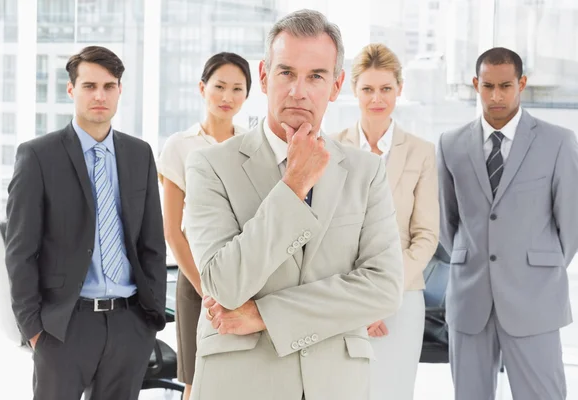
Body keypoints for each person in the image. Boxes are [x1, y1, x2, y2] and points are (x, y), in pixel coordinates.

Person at [184, 9, 404, 400]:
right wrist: (294, 185)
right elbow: (224, 284)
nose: (298, 90)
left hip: (336, 384)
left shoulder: (366, 172)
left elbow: (384, 288)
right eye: (286, 72)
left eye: (316, 76)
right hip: (240, 383)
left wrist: (266, 315)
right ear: (265, 77)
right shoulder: (209, 165)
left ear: (335, 86)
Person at [5, 46, 167, 400]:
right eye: (89, 85)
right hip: (65, 327)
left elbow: (152, 242)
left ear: (120, 91)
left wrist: (149, 318)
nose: (99, 95)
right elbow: (20, 252)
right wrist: (34, 329)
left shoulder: (140, 154)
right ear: (71, 89)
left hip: (129, 324)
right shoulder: (38, 156)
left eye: (109, 86)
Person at [438, 47, 578, 400]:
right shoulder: (450, 144)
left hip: (535, 300)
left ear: (522, 84)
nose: (496, 96)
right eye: (487, 86)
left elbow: (571, 224)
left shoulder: (558, 142)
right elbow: (445, 221)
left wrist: (537, 269)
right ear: (475, 85)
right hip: (470, 302)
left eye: (505, 86)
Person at [331, 43, 438, 400]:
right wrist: (360, 301)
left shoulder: (421, 151)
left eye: (386, 89)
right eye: (368, 89)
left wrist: (383, 297)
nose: (377, 98)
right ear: (352, 89)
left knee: (393, 391)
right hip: (344, 296)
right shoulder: (332, 147)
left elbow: (425, 236)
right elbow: (325, 232)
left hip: (402, 299)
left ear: (400, 89)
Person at [157, 51, 251, 400]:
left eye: (237, 89)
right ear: (202, 88)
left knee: (243, 381)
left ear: (246, 96)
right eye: (219, 86)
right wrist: (208, 290)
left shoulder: (251, 145)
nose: (227, 97)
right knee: (197, 383)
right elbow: (172, 231)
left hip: (246, 281)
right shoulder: (180, 147)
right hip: (198, 281)